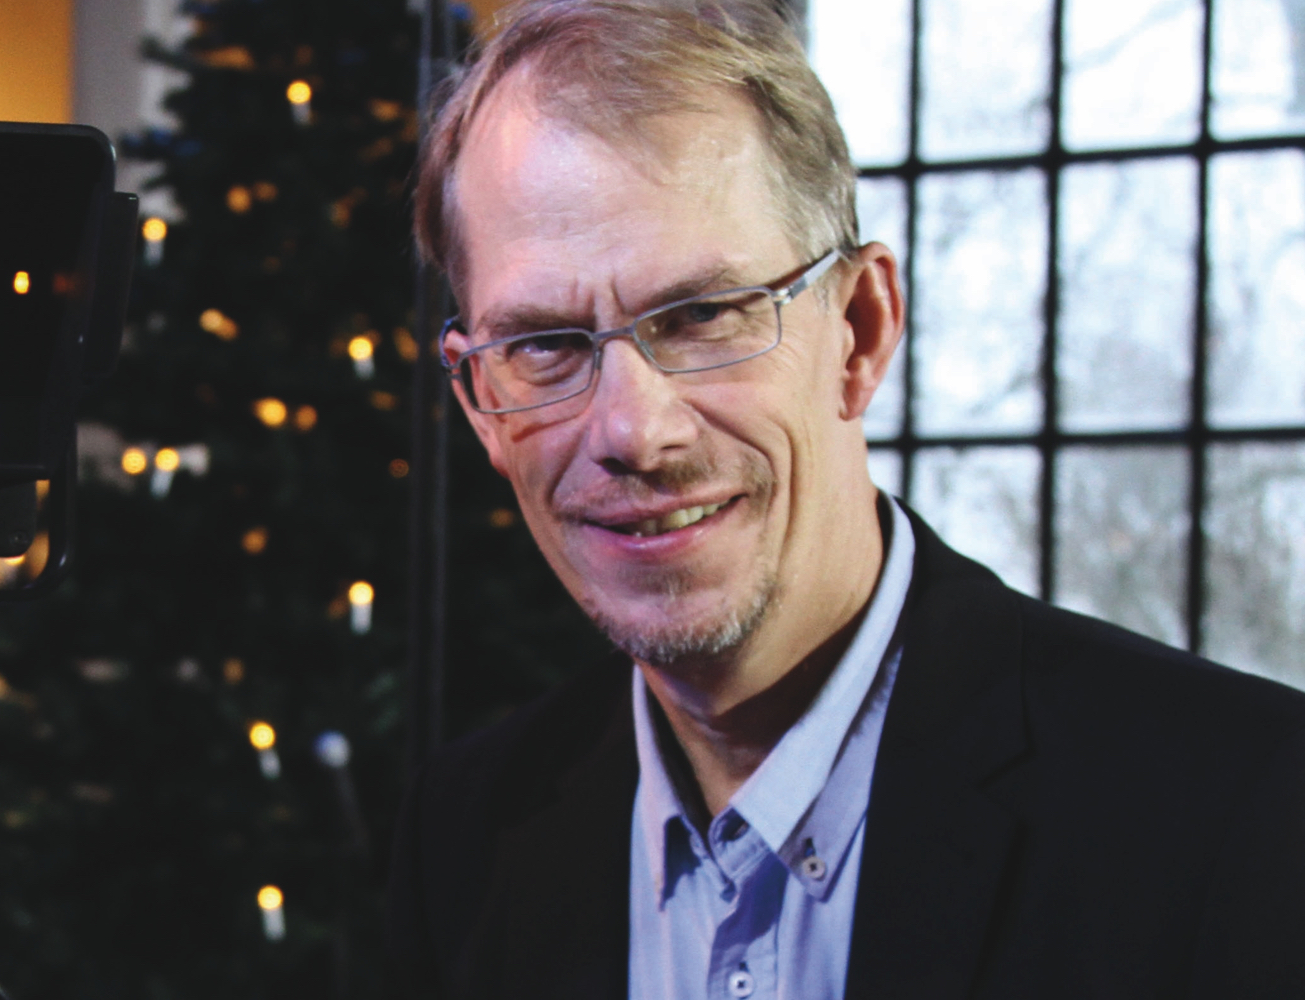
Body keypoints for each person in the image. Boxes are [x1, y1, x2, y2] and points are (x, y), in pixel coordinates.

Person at [386, 1, 1305, 997]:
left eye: (702, 316)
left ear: (860, 331)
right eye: (545, 346)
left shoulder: (1243, 813)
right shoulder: (464, 835)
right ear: (480, 405)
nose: (632, 432)